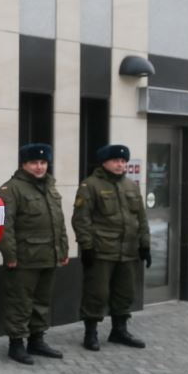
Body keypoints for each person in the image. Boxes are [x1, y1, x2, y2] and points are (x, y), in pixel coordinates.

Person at [72, 143, 150, 351]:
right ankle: (91, 333)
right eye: (116, 160)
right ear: (105, 162)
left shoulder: (131, 186)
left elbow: (141, 218)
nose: (120, 164)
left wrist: (145, 244)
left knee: (124, 292)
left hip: (127, 251)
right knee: (96, 293)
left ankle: (119, 331)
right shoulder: (90, 186)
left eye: (123, 161)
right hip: (101, 251)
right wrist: (86, 247)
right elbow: (81, 219)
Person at [0, 143, 69, 365]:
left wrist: (63, 250)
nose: (39, 167)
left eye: (43, 162)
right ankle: (16, 344)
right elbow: (4, 227)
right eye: (34, 163)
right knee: (20, 302)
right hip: (24, 259)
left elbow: (59, 222)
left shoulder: (51, 187)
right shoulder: (11, 189)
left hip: (49, 256)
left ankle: (37, 341)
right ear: (24, 164)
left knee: (42, 302)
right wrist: (10, 256)